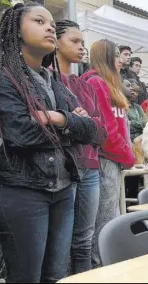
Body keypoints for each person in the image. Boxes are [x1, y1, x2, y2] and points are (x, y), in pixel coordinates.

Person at [0, 2, 99, 282]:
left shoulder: (52, 79)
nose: (49, 27)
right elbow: (20, 134)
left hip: (62, 190)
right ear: (17, 31)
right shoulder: (1, 76)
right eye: (39, 21)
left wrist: (59, 119)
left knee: (55, 276)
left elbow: (93, 131)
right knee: (26, 277)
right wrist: (72, 123)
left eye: (50, 22)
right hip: (21, 192)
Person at [42, 19, 108, 274]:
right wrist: (81, 124)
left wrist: (81, 124)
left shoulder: (85, 85)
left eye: (84, 43)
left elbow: (100, 133)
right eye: (75, 41)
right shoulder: (46, 79)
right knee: (59, 243)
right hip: (63, 167)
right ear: (56, 42)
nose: (83, 48)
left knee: (84, 240)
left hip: (90, 167)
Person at [81, 39, 135, 268]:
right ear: (107, 58)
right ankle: (102, 270)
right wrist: (127, 155)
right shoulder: (96, 82)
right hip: (106, 160)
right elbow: (106, 129)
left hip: (114, 160)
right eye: (117, 56)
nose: (122, 60)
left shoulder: (109, 83)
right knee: (103, 224)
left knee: (109, 219)